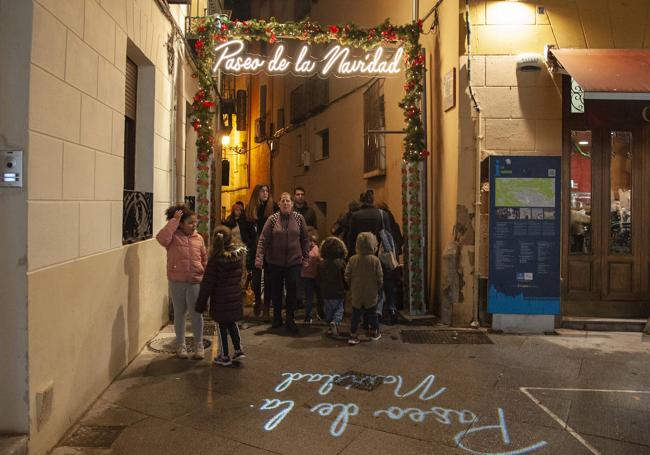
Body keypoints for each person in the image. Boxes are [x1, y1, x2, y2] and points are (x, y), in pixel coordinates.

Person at [156, 204, 207, 360]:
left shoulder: (198, 238)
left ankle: (199, 345)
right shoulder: (172, 237)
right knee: (180, 314)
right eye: (190, 222)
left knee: (196, 314)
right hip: (177, 281)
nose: (194, 226)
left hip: (195, 281)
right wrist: (174, 221)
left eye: (195, 223)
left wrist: (203, 273)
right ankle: (181, 345)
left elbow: (204, 258)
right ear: (181, 223)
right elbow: (161, 238)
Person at [255, 192, 310, 333]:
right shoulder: (272, 220)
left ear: (291, 204)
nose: (285, 203)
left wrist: (306, 257)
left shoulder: (299, 219)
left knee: (292, 292)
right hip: (275, 262)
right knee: (276, 291)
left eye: (288, 201)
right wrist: (259, 258)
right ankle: (277, 318)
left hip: (294, 262)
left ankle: (290, 319)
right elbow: (263, 239)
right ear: (279, 204)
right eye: (283, 201)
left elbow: (305, 239)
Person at [195, 225, 247, 366]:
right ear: (231, 239)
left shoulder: (215, 260)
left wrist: (201, 303)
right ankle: (238, 349)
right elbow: (241, 275)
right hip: (234, 297)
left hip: (220, 300)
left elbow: (207, 284)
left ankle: (224, 356)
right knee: (232, 323)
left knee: (221, 326)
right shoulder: (238, 255)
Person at [347, 190, 401, 323]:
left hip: (362, 256)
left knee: (366, 285)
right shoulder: (382, 214)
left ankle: (367, 314)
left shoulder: (355, 216)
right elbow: (388, 235)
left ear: (362, 201)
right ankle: (390, 309)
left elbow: (351, 237)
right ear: (372, 200)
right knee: (386, 282)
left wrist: (351, 254)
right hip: (380, 255)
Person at [245, 184, 278, 320]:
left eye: (267, 191)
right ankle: (257, 301)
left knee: (269, 279)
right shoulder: (251, 209)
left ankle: (266, 306)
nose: (265, 193)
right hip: (255, 249)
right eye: (262, 191)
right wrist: (251, 243)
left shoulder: (273, 208)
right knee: (256, 280)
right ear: (257, 193)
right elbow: (245, 230)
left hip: (270, 248)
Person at [345, 232, 383, 345]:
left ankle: (353, 334)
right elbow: (380, 277)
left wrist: (350, 285)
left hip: (357, 291)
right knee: (372, 313)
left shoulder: (352, 259)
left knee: (356, 314)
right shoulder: (375, 260)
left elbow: (347, 275)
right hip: (371, 292)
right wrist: (379, 287)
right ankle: (375, 332)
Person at [317, 236, 348, 337]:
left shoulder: (321, 264)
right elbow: (345, 278)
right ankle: (335, 322)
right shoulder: (341, 264)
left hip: (325, 292)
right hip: (339, 292)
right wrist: (346, 288)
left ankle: (330, 325)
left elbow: (318, 279)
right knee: (339, 310)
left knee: (328, 311)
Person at [301, 227, 320, 325]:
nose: (311, 242)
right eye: (309, 240)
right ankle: (308, 316)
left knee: (315, 296)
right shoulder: (304, 250)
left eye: (313, 240)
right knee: (309, 297)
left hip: (313, 276)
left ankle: (318, 314)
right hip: (308, 276)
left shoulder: (314, 248)